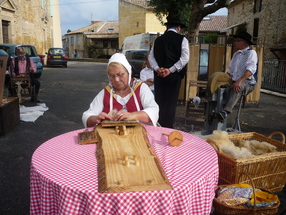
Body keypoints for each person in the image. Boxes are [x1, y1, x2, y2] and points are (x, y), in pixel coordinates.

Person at [82, 53, 159, 128]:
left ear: (129, 72)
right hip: (112, 138)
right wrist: (96, 118)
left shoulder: (141, 88)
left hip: (138, 137)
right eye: (112, 76)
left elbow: (154, 111)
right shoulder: (106, 92)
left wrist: (131, 115)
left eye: (120, 74)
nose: (116, 80)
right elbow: (87, 115)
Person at [148, 17, 189, 128]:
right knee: (171, 103)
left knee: (159, 101)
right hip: (174, 76)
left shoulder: (158, 40)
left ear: (167, 27)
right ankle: (168, 128)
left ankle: (158, 125)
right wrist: (170, 70)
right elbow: (185, 58)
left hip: (159, 75)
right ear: (178, 28)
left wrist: (158, 69)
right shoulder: (182, 39)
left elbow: (151, 57)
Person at [217, 32, 258, 122]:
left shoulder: (251, 53)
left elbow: (250, 70)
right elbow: (230, 71)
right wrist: (222, 80)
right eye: (235, 40)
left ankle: (225, 112)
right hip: (235, 80)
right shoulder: (236, 54)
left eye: (237, 41)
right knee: (220, 88)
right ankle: (216, 110)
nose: (235, 42)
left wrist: (239, 81)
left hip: (248, 83)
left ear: (244, 42)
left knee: (238, 87)